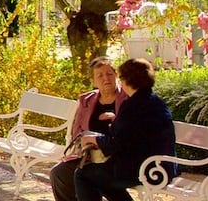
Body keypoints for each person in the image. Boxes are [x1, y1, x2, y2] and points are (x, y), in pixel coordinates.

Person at [73, 58, 177, 201]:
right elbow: (133, 134)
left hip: (146, 170)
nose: (120, 82)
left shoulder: (132, 106)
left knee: (84, 174)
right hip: (162, 167)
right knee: (99, 175)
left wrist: (93, 138)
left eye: (120, 77)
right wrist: (116, 122)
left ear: (128, 80)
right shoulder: (154, 101)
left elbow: (116, 145)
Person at [49, 58, 122, 201]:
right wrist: (85, 145)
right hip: (89, 154)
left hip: (116, 156)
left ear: (116, 75)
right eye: (100, 76)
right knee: (58, 173)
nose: (105, 78)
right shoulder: (86, 100)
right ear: (93, 81)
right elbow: (77, 131)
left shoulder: (127, 99)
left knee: (89, 175)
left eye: (109, 74)